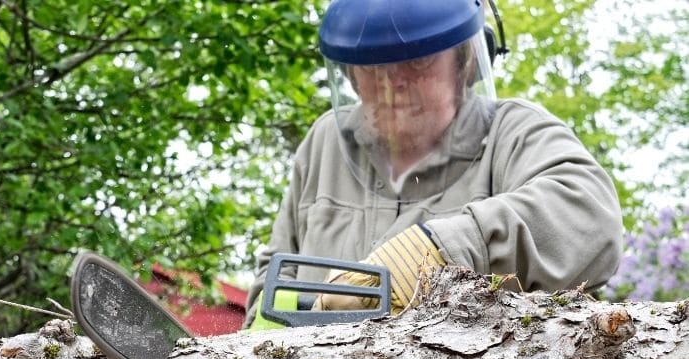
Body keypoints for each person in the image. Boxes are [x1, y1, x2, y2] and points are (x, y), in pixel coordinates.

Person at [243, 0, 623, 327]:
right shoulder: (326, 141)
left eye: (418, 60)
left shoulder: (514, 130)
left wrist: (445, 250)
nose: (394, 82)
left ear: (466, 62)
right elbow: (277, 273)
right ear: (351, 76)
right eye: (374, 66)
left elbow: (590, 216)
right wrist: (260, 348)